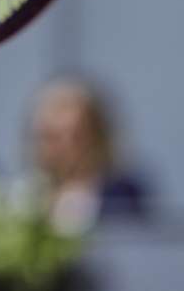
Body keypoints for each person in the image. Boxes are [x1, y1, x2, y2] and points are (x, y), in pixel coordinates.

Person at [20, 76, 151, 235]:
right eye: (52, 137)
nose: (64, 147)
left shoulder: (123, 194)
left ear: (98, 136)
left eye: (75, 137)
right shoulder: (26, 198)